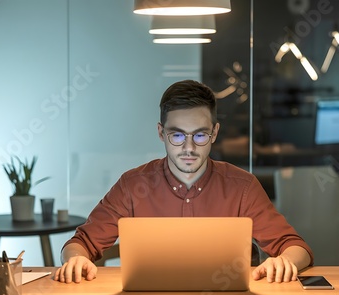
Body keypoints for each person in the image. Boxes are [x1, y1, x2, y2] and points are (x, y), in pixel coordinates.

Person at [54, 80, 313, 284]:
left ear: (215, 133)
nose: (188, 148)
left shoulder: (242, 186)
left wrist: (285, 262)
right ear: (161, 133)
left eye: (200, 135)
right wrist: (77, 260)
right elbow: (80, 244)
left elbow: (296, 247)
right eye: (177, 135)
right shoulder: (132, 186)